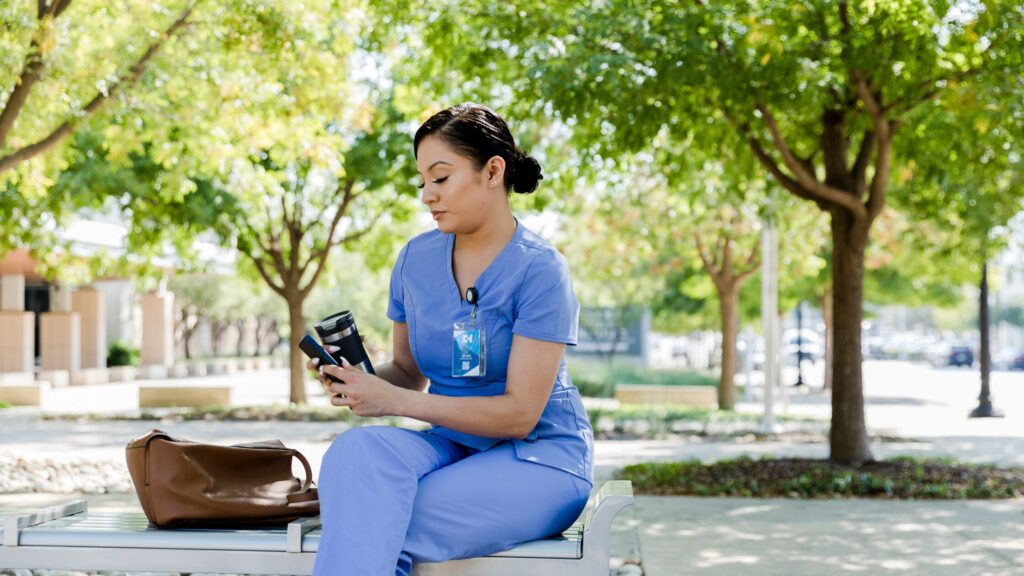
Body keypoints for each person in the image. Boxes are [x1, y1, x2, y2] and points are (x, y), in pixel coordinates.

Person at [308, 103, 594, 576]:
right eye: (422, 182)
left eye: (440, 178)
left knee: (378, 520)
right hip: (451, 446)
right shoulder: (414, 261)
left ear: (493, 172)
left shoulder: (541, 269)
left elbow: (520, 416)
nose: (427, 195)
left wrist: (393, 401)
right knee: (354, 453)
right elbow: (406, 375)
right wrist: (356, 382)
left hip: (539, 455)